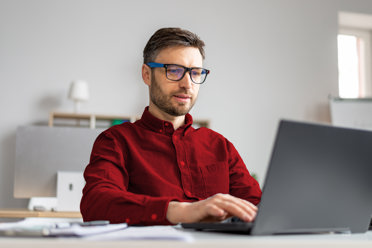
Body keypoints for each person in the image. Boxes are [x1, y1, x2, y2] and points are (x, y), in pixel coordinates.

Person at [80, 27, 262, 225]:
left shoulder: (220, 145)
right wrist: (181, 211)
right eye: (174, 71)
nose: (187, 84)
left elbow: (258, 207)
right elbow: (96, 204)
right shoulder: (116, 141)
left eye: (195, 72)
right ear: (147, 74)